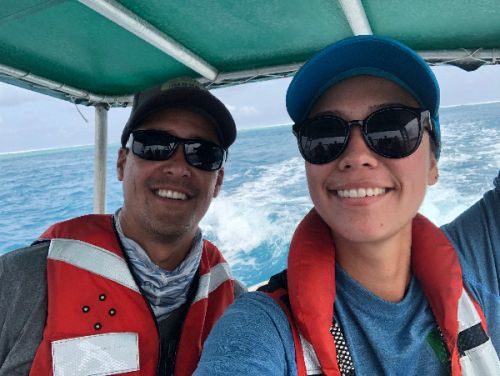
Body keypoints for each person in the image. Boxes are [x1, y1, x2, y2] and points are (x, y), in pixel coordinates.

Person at [194, 36, 499, 375]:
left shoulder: (484, 257)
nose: (356, 156)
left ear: (432, 164)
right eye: (325, 134)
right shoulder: (261, 330)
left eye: (393, 129)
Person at [0, 78, 245, 375]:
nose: (179, 167)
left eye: (203, 154)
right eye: (155, 145)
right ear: (121, 163)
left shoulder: (238, 306)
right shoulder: (19, 281)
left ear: (217, 181)